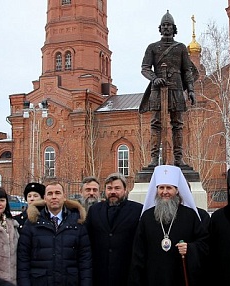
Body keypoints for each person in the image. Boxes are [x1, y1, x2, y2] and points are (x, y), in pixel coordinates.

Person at [128, 165, 208, 286]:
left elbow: (204, 244)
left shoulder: (190, 215)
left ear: (177, 190)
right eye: (161, 188)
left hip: (181, 278)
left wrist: (190, 248)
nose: (164, 192)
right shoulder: (147, 217)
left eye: (169, 188)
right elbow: (138, 254)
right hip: (152, 279)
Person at [139, 10, 197, 168]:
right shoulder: (152, 47)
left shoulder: (181, 48)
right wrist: (154, 78)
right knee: (156, 124)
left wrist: (190, 90)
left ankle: (178, 159)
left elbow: (187, 70)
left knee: (177, 124)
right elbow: (145, 68)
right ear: (160, 28)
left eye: (169, 25)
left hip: (177, 88)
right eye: (164, 25)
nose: (166, 28)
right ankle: (154, 159)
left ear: (173, 28)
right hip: (158, 90)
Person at [17, 181, 92, 286]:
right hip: (39, 281)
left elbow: (85, 259)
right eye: (50, 194)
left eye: (57, 193)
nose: (54, 197)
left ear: (64, 197)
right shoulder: (32, 222)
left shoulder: (77, 222)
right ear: (44, 198)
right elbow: (23, 259)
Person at [85, 173, 142, 286]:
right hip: (100, 275)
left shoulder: (137, 210)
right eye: (109, 188)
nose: (113, 192)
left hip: (126, 274)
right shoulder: (94, 210)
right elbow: (88, 240)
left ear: (125, 190)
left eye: (117, 188)